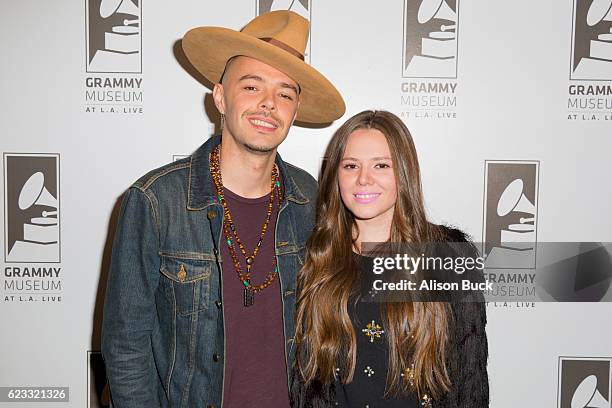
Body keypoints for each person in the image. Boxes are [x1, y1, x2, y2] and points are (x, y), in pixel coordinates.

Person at [101, 11, 345, 407]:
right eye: (252, 86)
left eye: (285, 93)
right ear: (220, 97)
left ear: (295, 111)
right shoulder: (156, 201)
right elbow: (126, 346)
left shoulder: (310, 198)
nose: (269, 104)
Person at [291, 110, 489, 407]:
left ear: (404, 173)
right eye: (350, 165)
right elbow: (305, 386)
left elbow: (470, 380)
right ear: (336, 176)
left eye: (381, 165)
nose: (363, 179)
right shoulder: (316, 256)